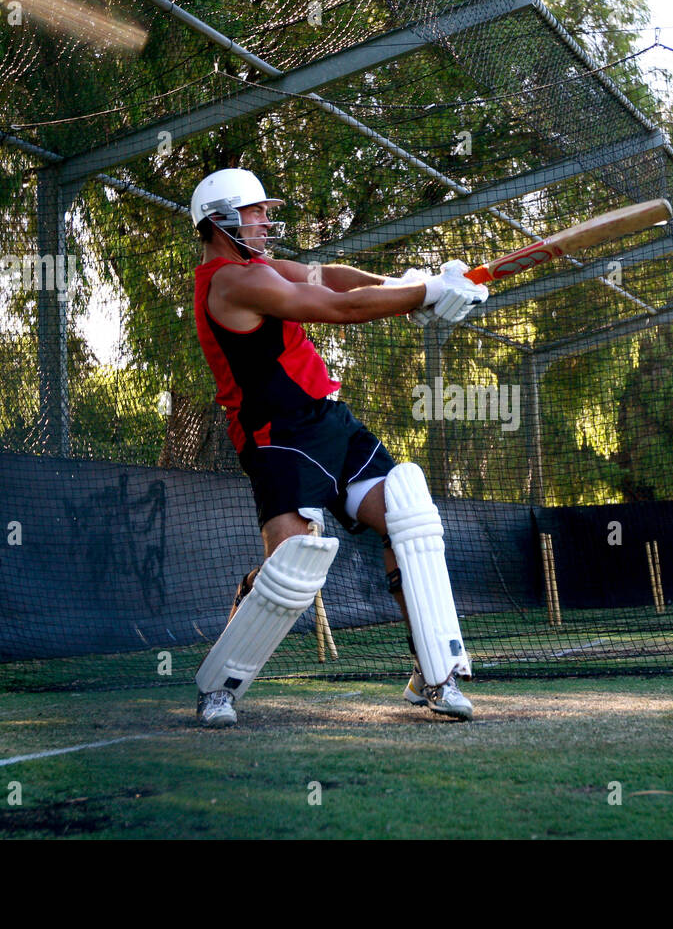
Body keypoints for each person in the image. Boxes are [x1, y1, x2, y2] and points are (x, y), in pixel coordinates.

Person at [187, 168, 487, 727]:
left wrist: (404, 283)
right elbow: (336, 308)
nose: (264, 220)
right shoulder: (229, 282)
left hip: (329, 420)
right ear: (220, 218)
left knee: (408, 515)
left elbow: (328, 277)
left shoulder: (258, 266)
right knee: (292, 569)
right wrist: (426, 294)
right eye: (254, 211)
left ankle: (434, 674)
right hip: (277, 434)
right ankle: (218, 685)